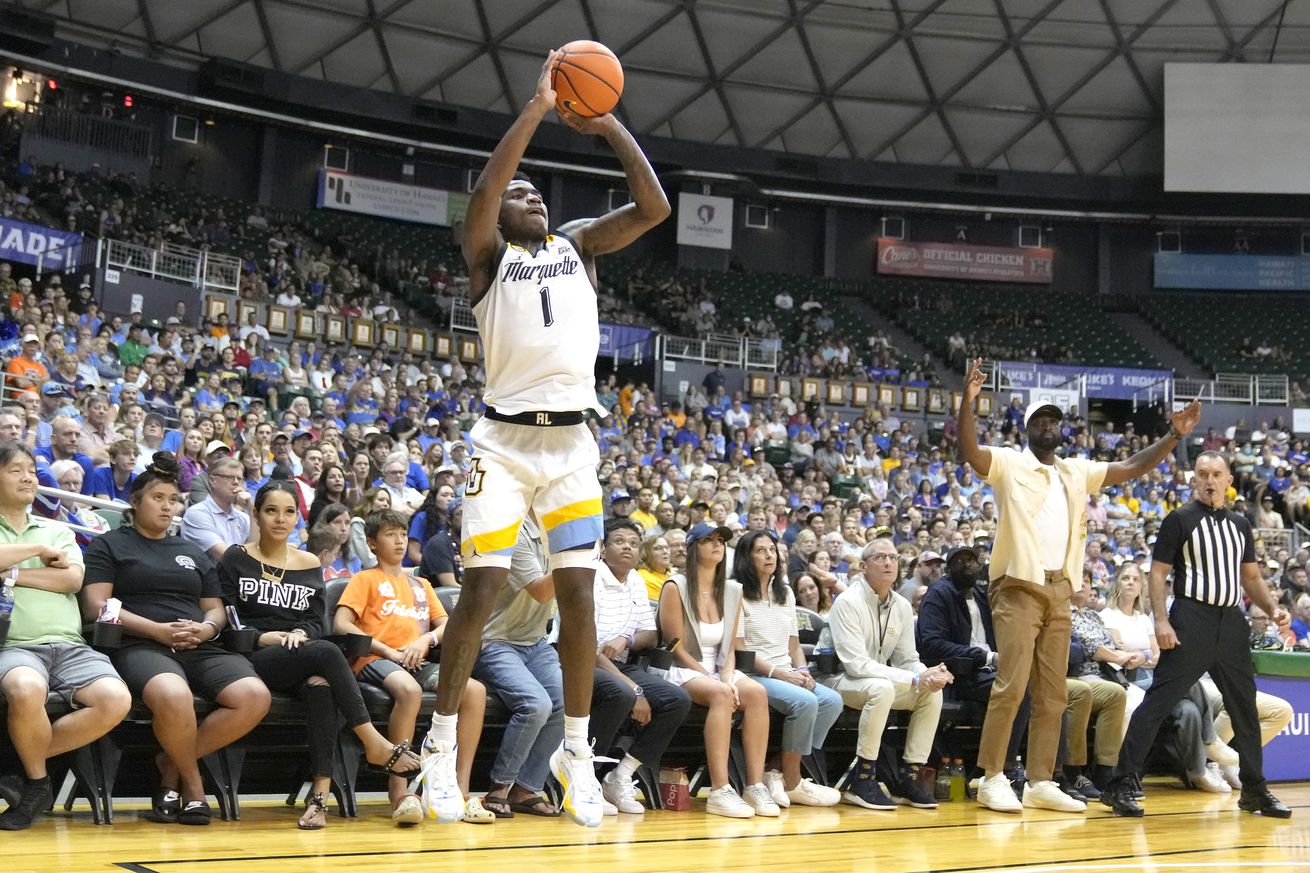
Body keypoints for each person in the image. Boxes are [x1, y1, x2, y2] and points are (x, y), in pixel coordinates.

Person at [422, 48, 670, 828]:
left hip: (573, 448)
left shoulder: (578, 247)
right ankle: (436, 749)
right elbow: (490, 187)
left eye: (537, 192)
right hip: (500, 445)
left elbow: (655, 206)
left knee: (579, 594)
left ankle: (573, 747)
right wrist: (535, 109)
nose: (527, 195)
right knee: (485, 588)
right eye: (518, 193)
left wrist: (605, 125)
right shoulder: (489, 257)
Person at [957, 359, 1201, 814]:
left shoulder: (1075, 471)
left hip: (1059, 591)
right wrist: (967, 403)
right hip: (1016, 586)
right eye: (1040, 420)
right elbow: (971, 452)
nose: (1048, 426)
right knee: (1011, 685)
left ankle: (1040, 781)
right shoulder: (1009, 463)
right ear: (1027, 428)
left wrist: (1174, 435)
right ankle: (990, 776)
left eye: (1054, 420)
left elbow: (1130, 466)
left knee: (1054, 692)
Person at [81, 452, 271, 826]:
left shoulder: (191, 552)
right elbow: (95, 605)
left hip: (199, 643)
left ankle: (170, 765)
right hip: (140, 643)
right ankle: (195, 788)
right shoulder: (110, 545)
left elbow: (214, 608)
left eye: (174, 500)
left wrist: (208, 628)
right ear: (134, 502)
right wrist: (155, 629)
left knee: (254, 696)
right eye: (158, 498)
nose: (168, 507)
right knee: (173, 694)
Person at [1100, 452, 1294, 818]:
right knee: (1158, 702)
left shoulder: (1240, 523)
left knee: (1245, 711)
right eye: (1202, 473)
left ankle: (1254, 790)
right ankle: (1120, 783)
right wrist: (1161, 620)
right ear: (1194, 480)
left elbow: (1251, 577)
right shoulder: (1180, 519)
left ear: (1228, 480)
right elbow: (1157, 574)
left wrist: (1272, 610)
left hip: (1231, 622)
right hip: (1191, 619)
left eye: (1216, 474)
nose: (1209, 480)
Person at [219, 481, 422, 828]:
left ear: (297, 517)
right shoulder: (236, 557)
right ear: (255, 514)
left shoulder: (308, 562)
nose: (280, 519)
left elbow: (314, 620)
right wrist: (265, 637)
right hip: (255, 655)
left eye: (288, 512)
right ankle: (373, 741)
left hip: (300, 651)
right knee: (328, 652)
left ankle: (319, 800)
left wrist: (300, 632)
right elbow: (226, 620)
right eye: (271, 511)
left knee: (321, 684)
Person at [0, 442, 131, 829]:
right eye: (15, 470)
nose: (28, 477)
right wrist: (39, 551)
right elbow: (54, 576)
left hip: (71, 646)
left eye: (30, 470)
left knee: (116, 700)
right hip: (15, 645)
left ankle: (22, 773)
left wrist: (12, 574)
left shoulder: (58, 529)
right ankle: (40, 781)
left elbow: (72, 579)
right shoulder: (47, 540)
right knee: (25, 689)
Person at [334, 510, 491, 825]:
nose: (399, 540)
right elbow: (341, 624)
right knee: (409, 690)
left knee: (475, 690)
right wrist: (385, 649)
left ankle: (460, 789)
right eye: (390, 534)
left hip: (415, 659)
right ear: (372, 543)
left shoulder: (421, 583)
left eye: (403, 534)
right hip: (374, 659)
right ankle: (399, 790)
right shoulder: (364, 579)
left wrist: (426, 641)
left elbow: (447, 623)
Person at [658, 523, 777, 818]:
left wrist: (726, 676)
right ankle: (720, 790)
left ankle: (754, 785)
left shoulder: (734, 590)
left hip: (719, 666)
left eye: (721, 540)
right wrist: (710, 676)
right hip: (682, 666)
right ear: (693, 548)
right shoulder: (676, 586)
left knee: (757, 693)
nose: (717, 545)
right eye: (708, 540)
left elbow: (729, 648)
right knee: (722, 695)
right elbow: (673, 645)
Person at [823, 537, 948, 810]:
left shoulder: (902, 606)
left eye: (893, 557)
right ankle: (863, 779)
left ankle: (909, 777)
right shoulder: (848, 602)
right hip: (835, 679)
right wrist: (914, 677)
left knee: (931, 693)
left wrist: (927, 674)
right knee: (882, 689)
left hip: (876, 680)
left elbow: (907, 659)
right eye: (881, 557)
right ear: (864, 566)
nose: (889, 562)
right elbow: (856, 664)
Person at [588, 520, 691, 815]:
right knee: (620, 694)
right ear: (603, 549)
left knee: (676, 699)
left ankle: (620, 775)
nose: (627, 547)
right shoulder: (591, 578)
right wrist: (635, 690)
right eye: (619, 541)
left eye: (633, 543)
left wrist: (626, 638)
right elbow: (589, 649)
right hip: (581, 662)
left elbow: (650, 634)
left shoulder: (634, 580)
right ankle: (588, 780)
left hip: (620, 663)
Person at [734, 529, 842, 808]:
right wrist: (780, 673)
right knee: (805, 702)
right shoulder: (736, 593)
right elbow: (741, 648)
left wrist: (803, 671)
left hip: (788, 672)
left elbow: (794, 644)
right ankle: (792, 780)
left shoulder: (785, 591)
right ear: (746, 557)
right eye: (761, 550)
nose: (769, 555)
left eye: (772, 549)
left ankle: (774, 769)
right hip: (753, 674)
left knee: (832, 701)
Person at [916, 545, 1032, 787]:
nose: (967, 564)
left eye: (971, 560)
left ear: (980, 566)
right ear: (948, 568)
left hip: (989, 672)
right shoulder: (938, 594)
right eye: (960, 560)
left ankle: (1054, 773)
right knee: (1018, 688)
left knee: (1044, 690)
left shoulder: (982, 596)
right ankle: (1005, 766)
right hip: (959, 675)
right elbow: (933, 645)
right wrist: (986, 658)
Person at [180, 456, 252, 560]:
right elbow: (227, 557)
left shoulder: (244, 517)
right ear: (213, 481)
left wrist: (251, 509)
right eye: (229, 477)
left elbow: (257, 550)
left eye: (239, 478)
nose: (236, 482)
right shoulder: (197, 514)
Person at [636, 534, 673, 601]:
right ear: (646, 553)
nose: (665, 551)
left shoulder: (672, 575)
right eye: (658, 548)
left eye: (667, 548)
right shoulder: (641, 577)